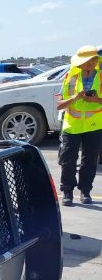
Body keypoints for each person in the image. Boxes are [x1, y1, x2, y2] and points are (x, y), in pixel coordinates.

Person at [55, 45, 102, 205]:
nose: (90, 63)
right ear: (80, 63)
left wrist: (96, 100)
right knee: (68, 160)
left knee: (90, 161)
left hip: (94, 126)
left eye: (93, 60)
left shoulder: (101, 77)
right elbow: (59, 105)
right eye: (87, 61)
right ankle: (67, 191)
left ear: (96, 60)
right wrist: (74, 98)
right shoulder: (70, 77)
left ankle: (85, 191)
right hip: (72, 126)